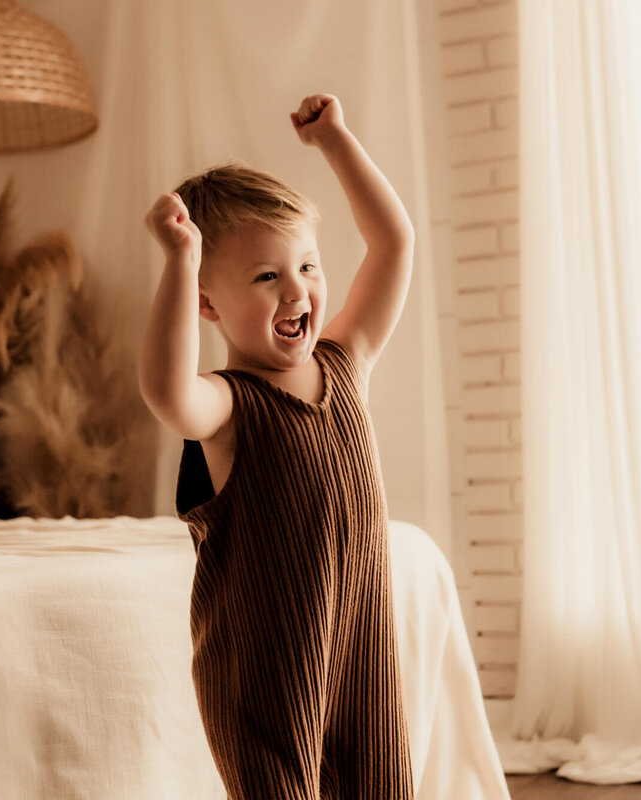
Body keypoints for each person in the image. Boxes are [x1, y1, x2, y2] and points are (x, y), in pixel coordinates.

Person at [138, 93, 416, 800]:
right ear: (209, 305)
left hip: (358, 651)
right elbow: (169, 394)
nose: (297, 290)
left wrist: (336, 143)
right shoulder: (231, 404)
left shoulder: (345, 360)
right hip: (265, 672)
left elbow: (393, 245)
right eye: (267, 276)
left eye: (308, 266)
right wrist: (179, 259)